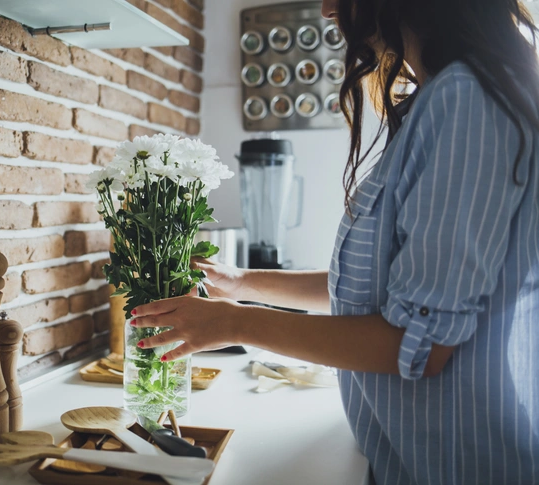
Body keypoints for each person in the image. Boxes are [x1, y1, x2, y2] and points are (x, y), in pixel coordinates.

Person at [130, 0, 539, 483]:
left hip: (461, 464)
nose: (326, 9)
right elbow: (383, 290)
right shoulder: (446, 98)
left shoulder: (466, 103)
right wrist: (240, 283)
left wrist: (233, 323)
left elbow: (419, 345)